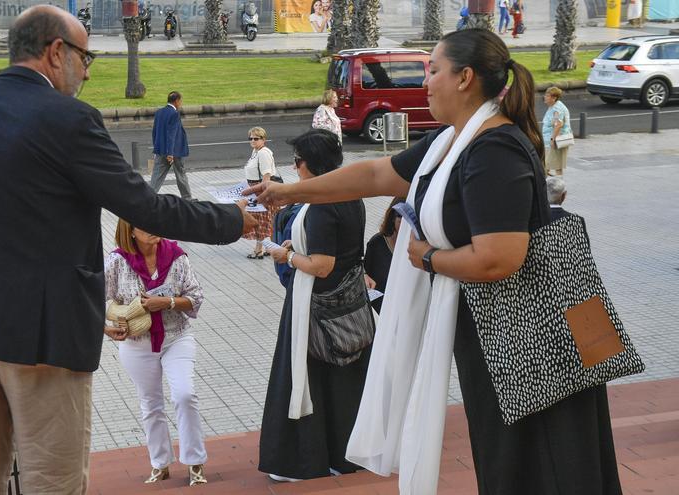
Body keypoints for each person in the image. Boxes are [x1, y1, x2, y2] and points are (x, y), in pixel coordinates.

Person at [248, 29, 622, 495]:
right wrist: (286, 191)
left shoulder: (493, 150)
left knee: (543, 463)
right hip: (503, 335)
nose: (425, 83)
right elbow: (377, 173)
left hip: (526, 338)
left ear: (465, 78)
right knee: (514, 461)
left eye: (434, 71)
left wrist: (428, 257)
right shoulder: (452, 142)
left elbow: (498, 259)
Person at [0, 6, 253, 493]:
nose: (87, 71)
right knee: (53, 481)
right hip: (42, 334)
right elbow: (146, 208)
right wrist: (235, 220)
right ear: (55, 52)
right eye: (86, 59)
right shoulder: (69, 119)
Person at [258, 128, 371, 482]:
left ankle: (301, 461)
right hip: (350, 303)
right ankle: (344, 454)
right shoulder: (351, 194)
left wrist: (287, 254)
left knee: (303, 380)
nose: (294, 169)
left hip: (314, 306)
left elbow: (321, 264)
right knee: (343, 382)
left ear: (309, 165)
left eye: (297, 162)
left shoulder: (322, 203)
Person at [104, 220, 209, 487]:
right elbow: (92, 296)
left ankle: (195, 462)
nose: (153, 227)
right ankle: (160, 464)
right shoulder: (117, 261)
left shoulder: (176, 255)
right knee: (150, 404)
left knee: (185, 394)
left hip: (177, 337)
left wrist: (168, 302)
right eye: (144, 224)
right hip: (137, 343)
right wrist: (105, 329)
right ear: (131, 232)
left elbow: (195, 297)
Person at [242, 126, 280, 259]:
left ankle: (259, 250)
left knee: (261, 221)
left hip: (260, 190)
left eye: (256, 138)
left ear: (263, 139)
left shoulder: (264, 153)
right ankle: (268, 248)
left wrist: (263, 196)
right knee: (263, 220)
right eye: (250, 138)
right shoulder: (255, 151)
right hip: (255, 189)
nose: (252, 140)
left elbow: (266, 177)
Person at [362, 197, 403, 314]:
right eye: (401, 218)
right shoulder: (377, 243)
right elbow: (366, 277)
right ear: (392, 218)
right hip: (382, 311)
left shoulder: (421, 245)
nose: (407, 226)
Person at [151, 91, 192, 200]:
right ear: (177, 101)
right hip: (175, 152)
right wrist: (170, 153)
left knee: (156, 176)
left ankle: (148, 198)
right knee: (181, 175)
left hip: (160, 151)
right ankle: (187, 198)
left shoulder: (159, 112)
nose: (181, 103)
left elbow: (155, 132)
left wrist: (156, 149)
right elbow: (172, 134)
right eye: (180, 101)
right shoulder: (174, 114)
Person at [542, 86, 571, 177]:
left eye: (547, 96)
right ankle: (556, 186)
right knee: (553, 167)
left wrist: (553, 140)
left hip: (556, 142)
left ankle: (556, 187)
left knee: (549, 167)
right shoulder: (554, 106)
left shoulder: (556, 109)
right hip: (555, 141)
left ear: (554, 98)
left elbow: (558, 124)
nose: (545, 97)